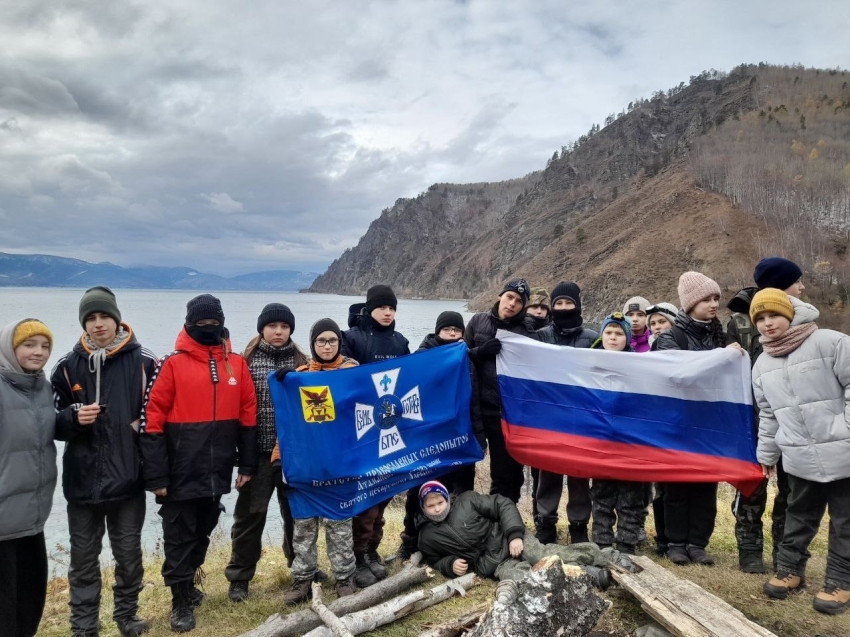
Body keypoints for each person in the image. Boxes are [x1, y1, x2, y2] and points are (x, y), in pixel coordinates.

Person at [140, 294, 257, 632]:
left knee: (203, 531)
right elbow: (152, 420)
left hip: (217, 468)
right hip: (178, 470)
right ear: (190, 323)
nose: (209, 328)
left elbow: (248, 416)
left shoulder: (236, 362)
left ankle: (189, 584)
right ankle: (179, 600)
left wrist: (246, 466)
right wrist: (156, 475)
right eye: (202, 323)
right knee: (178, 534)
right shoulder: (171, 363)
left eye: (213, 322)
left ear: (221, 322)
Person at [52, 287, 157, 637]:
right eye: (91, 318)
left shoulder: (144, 361)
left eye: (104, 317)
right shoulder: (67, 366)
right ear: (84, 323)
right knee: (83, 559)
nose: (98, 325)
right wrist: (71, 418)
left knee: (128, 556)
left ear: (116, 319)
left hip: (128, 479)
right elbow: (48, 421)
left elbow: (156, 421)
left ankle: (127, 617)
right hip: (81, 483)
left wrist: (156, 475)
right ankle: (84, 626)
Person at [750, 290, 850, 615]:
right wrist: (767, 454)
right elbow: (767, 413)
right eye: (760, 319)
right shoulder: (762, 364)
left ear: (791, 314)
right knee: (798, 514)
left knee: (846, 520)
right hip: (797, 455)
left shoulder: (831, 342)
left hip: (843, 451)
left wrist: (846, 429)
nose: (768, 324)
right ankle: (790, 571)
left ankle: (839, 581)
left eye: (773, 316)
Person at [654, 272, 742, 566]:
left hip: (711, 423)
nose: (714, 303)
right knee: (676, 487)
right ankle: (675, 543)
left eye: (716, 298)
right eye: (706, 298)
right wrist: (720, 358)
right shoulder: (670, 337)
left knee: (706, 485)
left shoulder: (723, 335)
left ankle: (698, 543)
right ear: (690, 303)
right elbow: (676, 374)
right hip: (677, 423)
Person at [224, 304, 309, 602]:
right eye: (272, 326)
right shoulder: (244, 360)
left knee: (297, 516)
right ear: (262, 328)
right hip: (257, 454)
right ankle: (240, 576)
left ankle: (301, 568)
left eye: (284, 327)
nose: (278, 331)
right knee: (250, 516)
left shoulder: (303, 361)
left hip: (292, 455)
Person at [274, 318, 359, 605]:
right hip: (307, 466)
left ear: (339, 343)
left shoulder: (353, 372)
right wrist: (278, 459)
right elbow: (287, 425)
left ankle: (345, 577)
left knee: (340, 524)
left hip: (341, 464)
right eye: (321, 341)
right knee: (304, 526)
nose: (327, 345)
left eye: (332, 340)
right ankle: (303, 579)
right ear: (312, 344)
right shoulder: (298, 376)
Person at [727, 257, 804, 574]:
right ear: (780, 284)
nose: (802, 287)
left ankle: (785, 554)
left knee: (792, 492)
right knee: (751, 490)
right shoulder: (740, 323)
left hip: (795, 423)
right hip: (753, 423)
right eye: (797, 281)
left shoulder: (802, 320)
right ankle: (749, 552)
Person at [394, 311, 486, 561]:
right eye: (448, 330)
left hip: (460, 438)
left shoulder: (465, 359)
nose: (453, 334)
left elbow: (474, 400)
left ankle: (457, 540)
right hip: (428, 440)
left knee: (462, 491)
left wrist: (479, 437)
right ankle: (412, 541)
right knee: (420, 491)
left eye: (457, 330)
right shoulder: (420, 358)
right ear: (438, 332)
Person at [416, 481, 620, 588]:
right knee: (524, 578)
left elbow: (502, 504)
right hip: (494, 564)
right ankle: (588, 576)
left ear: (447, 499)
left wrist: (514, 534)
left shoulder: (467, 500)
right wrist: (450, 564)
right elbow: (435, 560)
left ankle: (604, 556)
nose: (436, 508)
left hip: (508, 537)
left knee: (540, 555)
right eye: (430, 505)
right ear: (424, 508)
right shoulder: (426, 537)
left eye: (440, 502)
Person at [342, 284, 410, 588]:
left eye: (392, 308)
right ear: (369, 309)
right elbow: (336, 376)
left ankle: (372, 551)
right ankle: (356, 555)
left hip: (390, 428)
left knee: (384, 493)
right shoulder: (351, 339)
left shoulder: (400, 341)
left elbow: (411, 379)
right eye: (382, 307)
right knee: (364, 496)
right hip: (361, 429)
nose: (387, 312)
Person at [0, 320, 57, 637]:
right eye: (29, 344)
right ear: (10, 347)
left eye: (45, 345)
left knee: (29, 600)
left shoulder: (40, 386)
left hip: (32, 515)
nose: (38, 352)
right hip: (2, 518)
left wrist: (72, 420)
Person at [533, 282, 597, 545]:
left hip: (582, 417)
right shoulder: (541, 336)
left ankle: (579, 526)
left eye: (568, 303)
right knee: (548, 471)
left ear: (577, 305)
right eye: (558, 303)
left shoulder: (594, 338)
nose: (563, 308)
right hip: (551, 418)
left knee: (580, 474)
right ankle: (546, 523)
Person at [465, 278, 537, 504]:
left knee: (508, 472)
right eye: (509, 297)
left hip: (509, 411)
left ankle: (507, 516)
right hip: (479, 407)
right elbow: (459, 356)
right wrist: (479, 352)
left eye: (518, 301)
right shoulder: (478, 321)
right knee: (468, 466)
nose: (512, 303)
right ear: (500, 296)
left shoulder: (527, 330)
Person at [586, 313, 648, 554]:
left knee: (631, 496)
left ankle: (627, 543)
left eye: (619, 333)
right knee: (601, 493)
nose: (613, 338)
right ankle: (601, 541)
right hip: (601, 440)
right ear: (602, 335)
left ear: (628, 338)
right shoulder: (588, 363)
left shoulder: (642, 366)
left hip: (631, 443)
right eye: (609, 333)